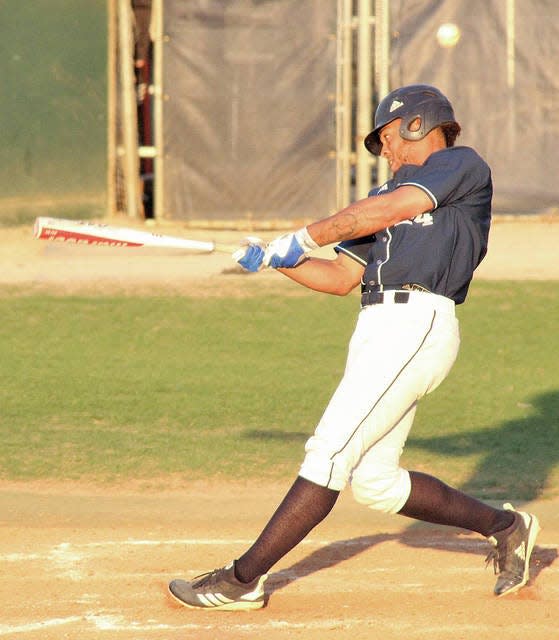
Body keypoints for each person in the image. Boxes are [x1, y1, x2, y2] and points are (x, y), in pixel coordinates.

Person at [168, 84, 540, 610]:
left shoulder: (459, 166)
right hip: (375, 329)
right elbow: (341, 276)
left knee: (328, 453)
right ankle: (507, 527)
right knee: (376, 482)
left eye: (388, 138)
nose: (385, 151)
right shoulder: (381, 201)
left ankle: (242, 579)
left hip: (418, 323)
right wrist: (278, 259)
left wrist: (297, 237)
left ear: (418, 125)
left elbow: (374, 216)